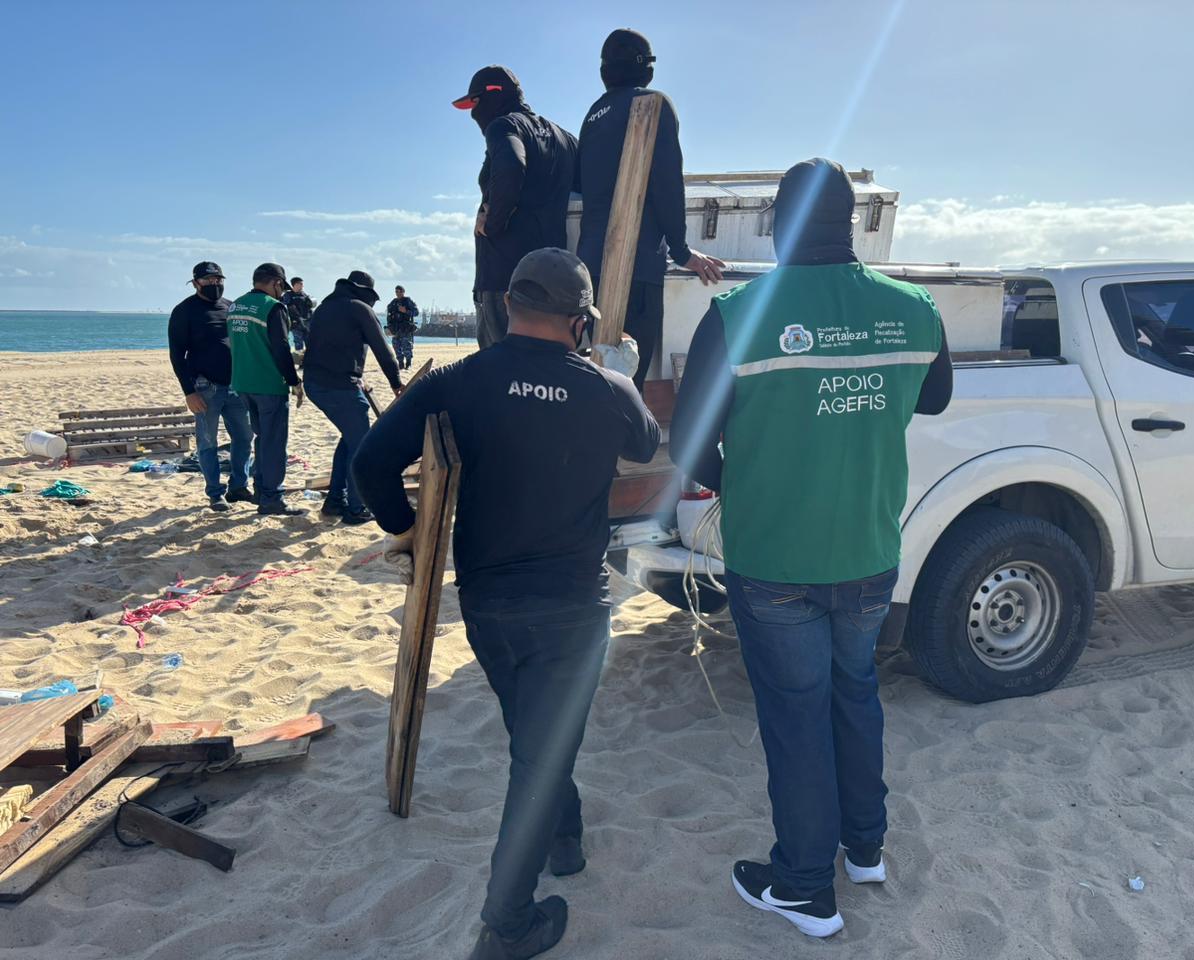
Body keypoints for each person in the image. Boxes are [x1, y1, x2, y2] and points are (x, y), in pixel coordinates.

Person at [670, 158, 953, 939]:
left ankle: (803, 886)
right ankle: (865, 848)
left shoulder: (737, 313)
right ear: (856, 223)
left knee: (796, 717)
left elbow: (688, 442)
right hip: (868, 547)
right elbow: (934, 394)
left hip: (774, 559)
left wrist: (744, 481)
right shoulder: (913, 309)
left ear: (774, 224)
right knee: (854, 693)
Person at [352, 248, 659, 960]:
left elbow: (369, 462)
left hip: (489, 602)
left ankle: (566, 838)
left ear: (506, 310)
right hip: (574, 607)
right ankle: (507, 923)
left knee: (537, 734)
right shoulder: (607, 386)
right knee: (541, 751)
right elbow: (645, 446)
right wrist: (619, 369)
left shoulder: (464, 378)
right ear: (581, 322)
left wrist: (409, 530)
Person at [576, 28, 726, 390]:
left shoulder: (594, 114)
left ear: (605, 70)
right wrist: (682, 250)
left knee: (601, 367)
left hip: (591, 267)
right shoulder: (653, 104)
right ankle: (621, 446)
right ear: (646, 68)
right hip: (636, 266)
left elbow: (583, 185)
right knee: (627, 378)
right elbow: (666, 182)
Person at [452, 66, 578, 351]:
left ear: (493, 96)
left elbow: (511, 165)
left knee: (499, 376)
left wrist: (492, 223)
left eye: (474, 103)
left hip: (503, 279)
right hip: (553, 276)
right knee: (543, 371)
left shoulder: (504, 126)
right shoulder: (564, 138)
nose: (473, 114)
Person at [303, 271, 404, 524]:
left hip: (315, 383)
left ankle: (335, 500)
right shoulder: (359, 309)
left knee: (350, 439)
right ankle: (356, 508)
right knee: (362, 446)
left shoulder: (324, 307)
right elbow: (383, 349)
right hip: (339, 386)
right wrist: (396, 383)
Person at [166, 261, 254, 512]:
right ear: (196, 283)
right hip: (205, 387)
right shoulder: (184, 311)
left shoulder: (231, 307)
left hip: (237, 385)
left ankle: (239, 486)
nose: (215, 285)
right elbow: (177, 355)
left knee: (244, 437)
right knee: (207, 442)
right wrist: (189, 392)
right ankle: (215, 494)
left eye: (218, 280)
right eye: (208, 281)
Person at [227, 262, 307, 517]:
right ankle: (272, 497)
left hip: (242, 383)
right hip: (268, 385)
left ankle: (261, 490)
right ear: (275, 283)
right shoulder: (273, 308)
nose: (282, 292)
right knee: (273, 443)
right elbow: (281, 347)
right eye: (281, 287)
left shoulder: (236, 306)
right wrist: (294, 381)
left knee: (262, 439)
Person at [385, 285, 420, 370]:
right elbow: (389, 313)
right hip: (395, 328)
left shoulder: (408, 301)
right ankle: (400, 363)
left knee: (406, 346)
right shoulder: (393, 302)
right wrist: (388, 327)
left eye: (400, 291)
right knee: (396, 346)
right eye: (397, 291)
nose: (398, 293)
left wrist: (406, 311)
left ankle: (408, 363)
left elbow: (416, 312)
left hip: (405, 328)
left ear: (403, 292)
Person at [281, 277, 315, 352]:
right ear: (295, 285)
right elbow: (281, 304)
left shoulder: (305, 295)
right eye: (301, 284)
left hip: (307, 324)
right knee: (298, 344)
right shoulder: (288, 295)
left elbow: (310, 309)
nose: (303, 286)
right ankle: (299, 361)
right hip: (296, 323)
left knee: (310, 344)